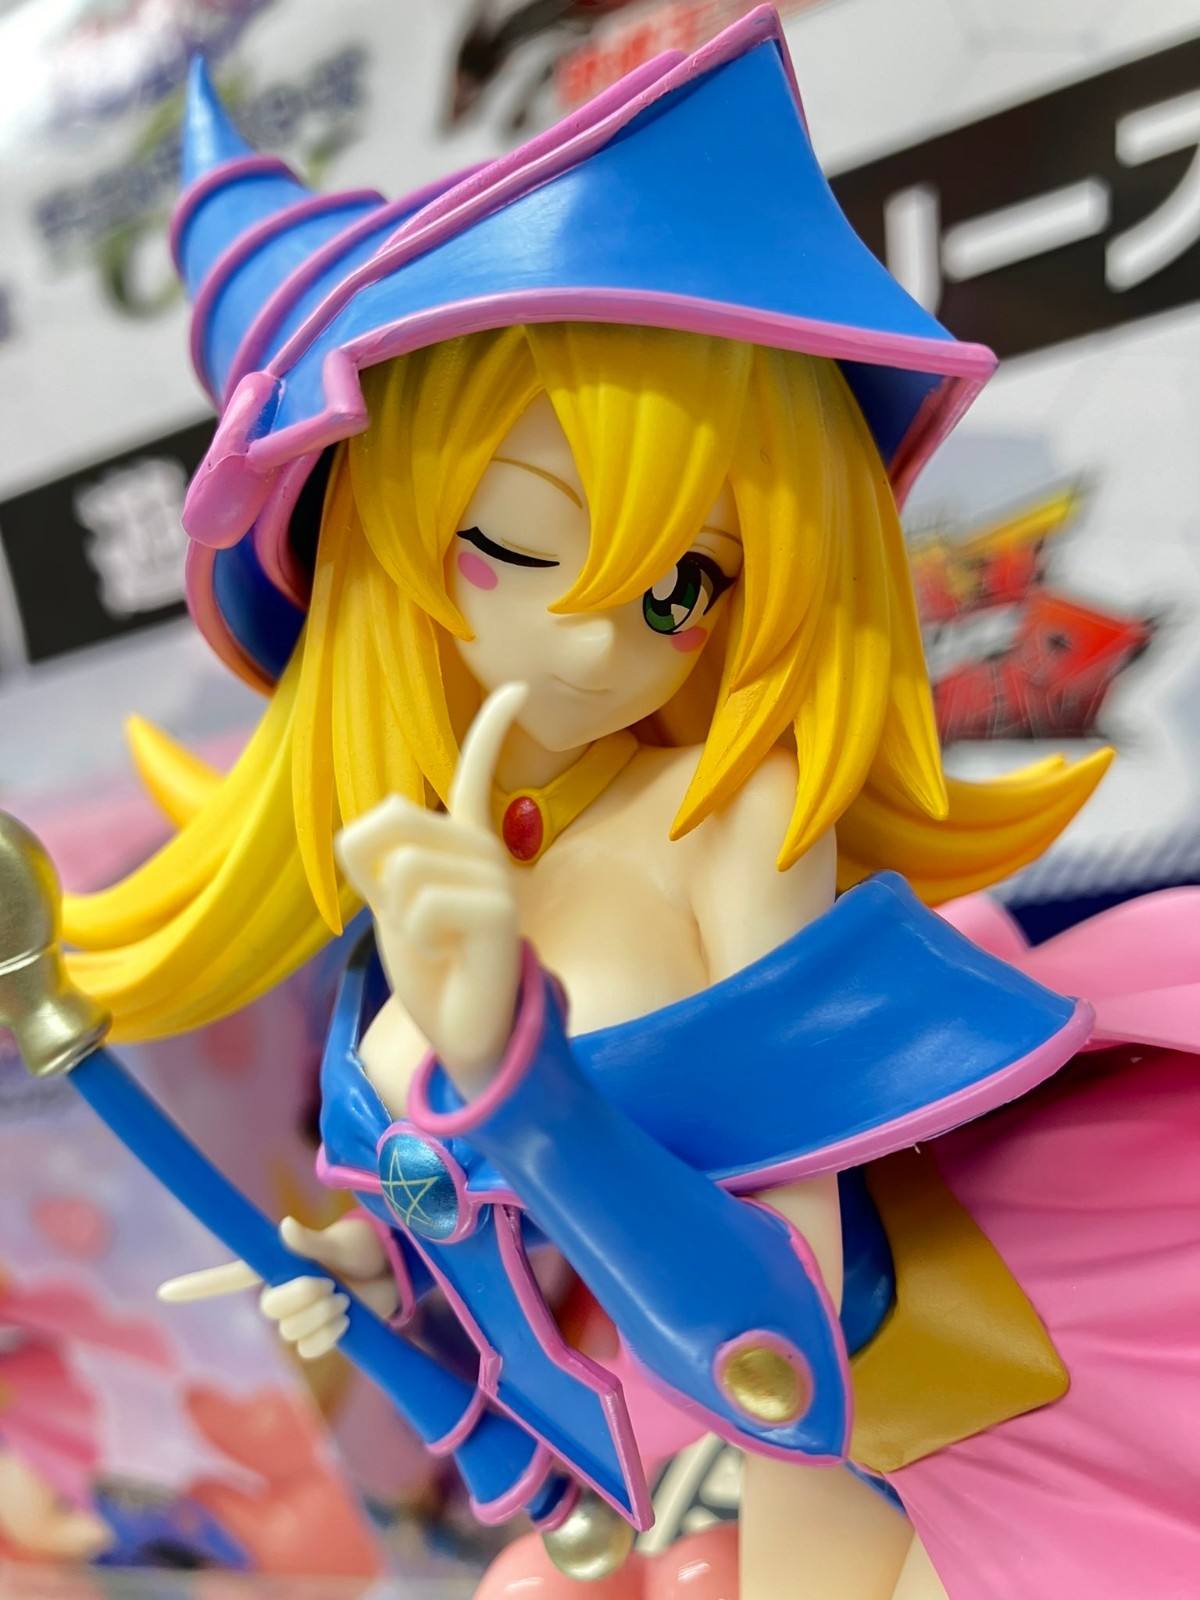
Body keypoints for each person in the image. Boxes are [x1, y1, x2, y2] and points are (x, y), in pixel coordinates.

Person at [63, 11, 1200, 1598]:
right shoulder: (405, 901)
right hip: (624, 1447)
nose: (602, 643)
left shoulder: (732, 820)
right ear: (369, 563)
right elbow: (465, 1215)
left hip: (878, 1425)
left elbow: (808, 1326)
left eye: (681, 587)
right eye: (519, 550)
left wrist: (518, 1081)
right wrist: (366, 1271)